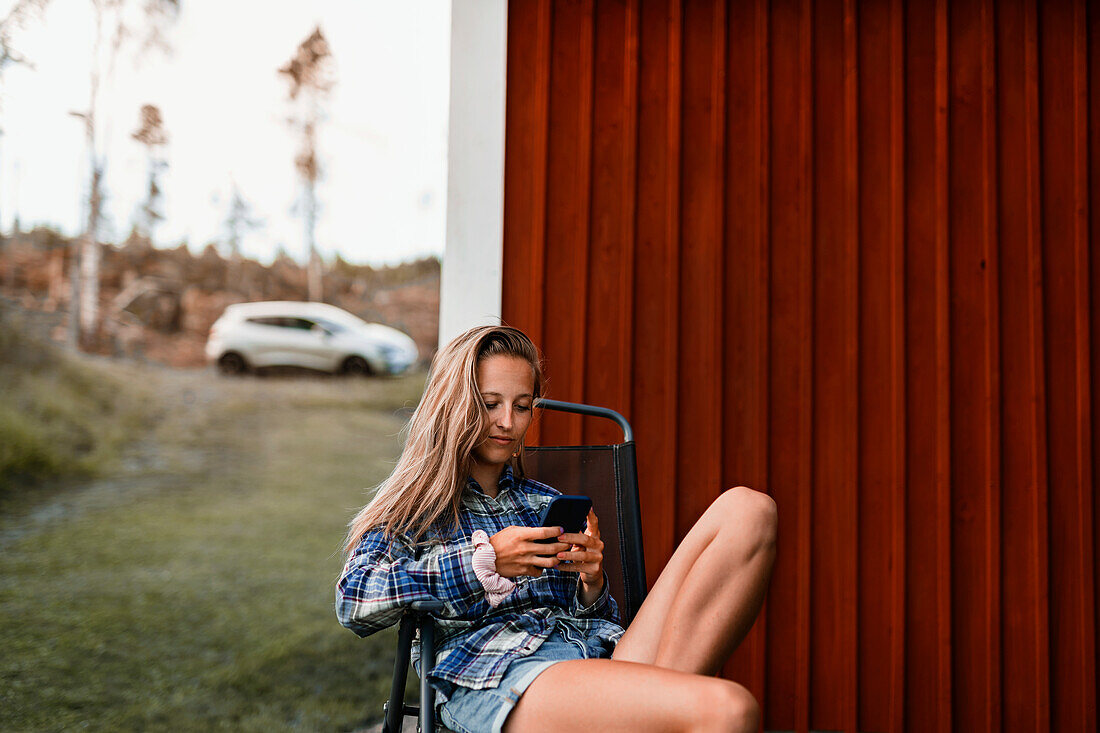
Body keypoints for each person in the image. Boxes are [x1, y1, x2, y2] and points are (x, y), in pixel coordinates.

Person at [336, 325, 777, 733]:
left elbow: (598, 620)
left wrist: (591, 584)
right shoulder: (413, 511)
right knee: (727, 709)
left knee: (748, 510)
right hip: (501, 677)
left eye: (522, 406)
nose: (508, 422)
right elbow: (353, 598)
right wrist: (483, 561)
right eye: (490, 404)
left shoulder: (544, 502)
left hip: (594, 658)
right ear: (453, 405)